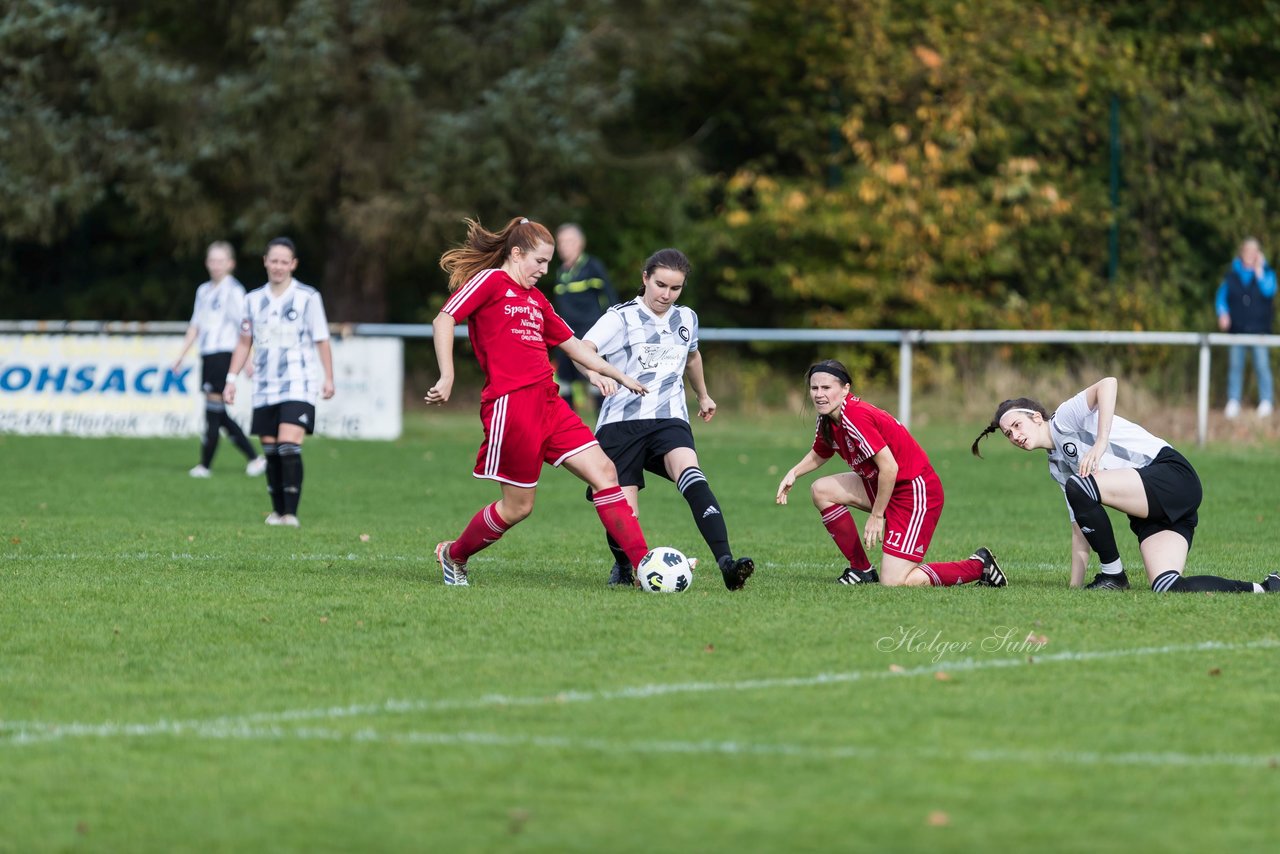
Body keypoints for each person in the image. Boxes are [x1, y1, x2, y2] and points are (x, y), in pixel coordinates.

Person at [426, 216, 653, 587]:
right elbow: (444, 319)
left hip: (549, 404)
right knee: (519, 507)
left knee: (606, 473)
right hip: (511, 406)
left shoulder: (536, 300)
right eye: (540, 262)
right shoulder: (491, 282)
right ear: (516, 254)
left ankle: (644, 567)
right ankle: (454, 555)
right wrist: (447, 375)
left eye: (548, 263)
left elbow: (575, 346)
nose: (545, 271)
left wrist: (617, 374)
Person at [971, 376, 1280, 593]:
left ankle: (1114, 575)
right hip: (1151, 510)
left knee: (1080, 486)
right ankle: (1266, 587)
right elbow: (1081, 526)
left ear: (1037, 417)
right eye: (1008, 434)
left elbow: (1108, 384)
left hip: (1171, 475)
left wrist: (1101, 442)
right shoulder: (1056, 466)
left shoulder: (1064, 419)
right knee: (1167, 585)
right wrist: (1073, 589)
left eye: (1016, 425)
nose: (1014, 436)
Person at [579, 248, 755, 591]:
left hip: (669, 418)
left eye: (675, 288)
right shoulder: (620, 317)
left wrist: (703, 395)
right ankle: (623, 566)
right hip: (621, 422)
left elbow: (692, 357)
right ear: (645, 278)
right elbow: (583, 348)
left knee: (692, 474)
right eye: (660, 285)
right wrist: (594, 376)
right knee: (623, 508)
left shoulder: (686, 318)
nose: (666, 295)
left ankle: (727, 564)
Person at [776, 360, 1006, 588]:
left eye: (826, 388)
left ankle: (980, 566)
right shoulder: (828, 419)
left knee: (894, 581)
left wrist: (877, 516)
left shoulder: (855, 415)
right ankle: (861, 569)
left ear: (845, 389)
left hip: (914, 492)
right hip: (884, 485)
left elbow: (890, 467)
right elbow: (821, 451)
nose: (819, 394)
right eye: (814, 388)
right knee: (821, 490)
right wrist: (793, 473)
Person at [224, 237, 336, 527]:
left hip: (298, 382)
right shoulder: (252, 300)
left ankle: (291, 514)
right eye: (273, 260)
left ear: (293, 264)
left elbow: (321, 339)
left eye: (284, 261)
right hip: (264, 384)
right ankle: (277, 512)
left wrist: (328, 378)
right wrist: (231, 378)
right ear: (265, 261)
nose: (278, 266)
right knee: (271, 452)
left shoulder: (308, 297)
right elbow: (244, 342)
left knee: (288, 446)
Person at [172, 241, 266, 478]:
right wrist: (181, 355)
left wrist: (247, 360)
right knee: (218, 413)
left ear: (230, 264)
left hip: (224, 354)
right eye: (212, 260)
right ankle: (254, 458)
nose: (216, 265)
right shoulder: (203, 290)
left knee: (213, 411)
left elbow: (244, 329)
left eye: (221, 261)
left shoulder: (234, 291)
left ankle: (205, 465)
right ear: (207, 263)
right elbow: (195, 325)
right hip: (208, 355)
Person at [552, 223, 619, 413]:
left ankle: (604, 426)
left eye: (569, 241)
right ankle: (567, 431)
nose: (564, 246)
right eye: (561, 242)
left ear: (581, 243)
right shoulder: (560, 272)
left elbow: (609, 298)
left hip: (590, 335)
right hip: (565, 336)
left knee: (597, 381)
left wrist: (611, 330)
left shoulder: (592, 267)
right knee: (564, 383)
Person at [1215, 237, 1276, 419]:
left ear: (1259, 254)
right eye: (1247, 251)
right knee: (1235, 366)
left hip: (1259, 330)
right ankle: (1233, 401)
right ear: (1242, 253)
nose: (1250, 255)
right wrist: (1223, 313)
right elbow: (1221, 298)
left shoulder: (1266, 273)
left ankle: (1266, 401)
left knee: (1262, 366)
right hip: (1237, 329)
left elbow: (1269, 291)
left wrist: (1260, 272)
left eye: (1254, 252)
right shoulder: (1232, 275)